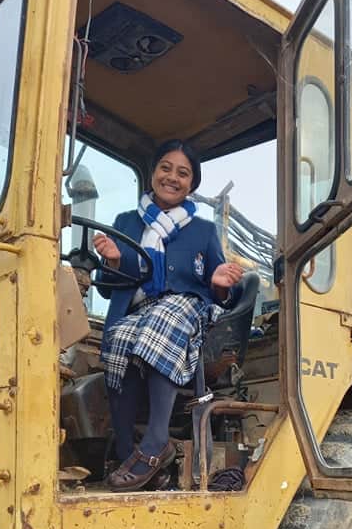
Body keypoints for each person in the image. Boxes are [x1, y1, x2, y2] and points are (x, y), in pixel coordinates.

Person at [92, 140, 243, 492]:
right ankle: (128, 451)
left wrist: (219, 283)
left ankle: (157, 440)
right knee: (118, 339)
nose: (172, 177)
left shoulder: (203, 231)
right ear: (152, 174)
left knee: (162, 321)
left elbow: (223, 289)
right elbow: (105, 287)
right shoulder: (126, 222)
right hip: (139, 311)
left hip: (188, 306)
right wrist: (113, 261)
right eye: (165, 168)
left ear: (192, 184)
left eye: (183, 172)